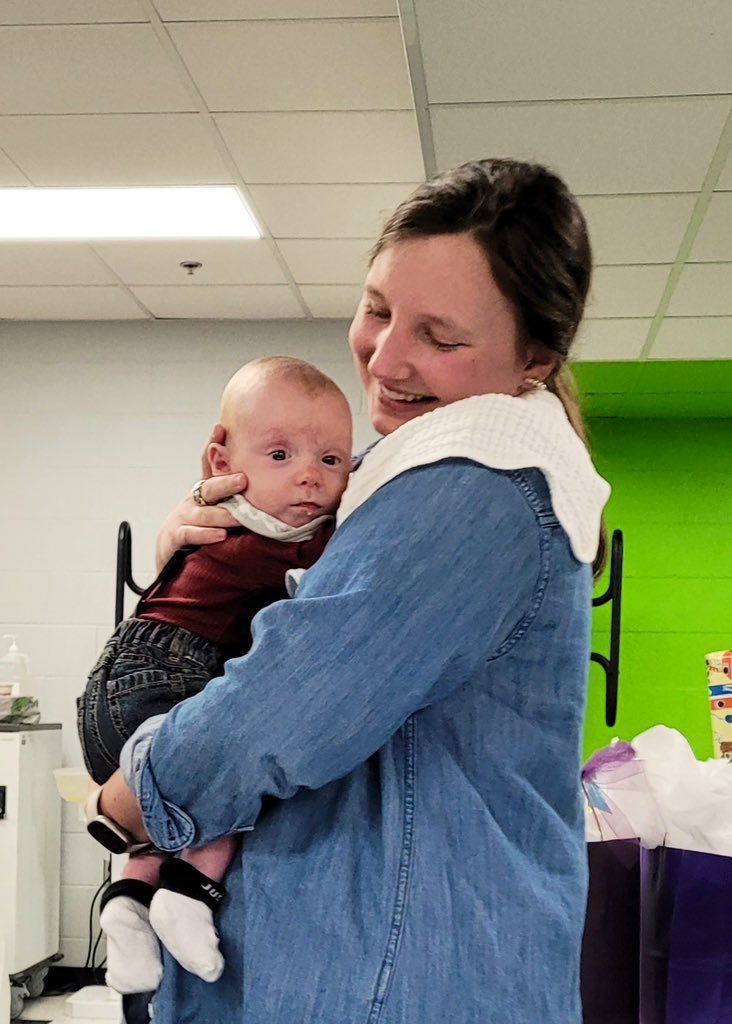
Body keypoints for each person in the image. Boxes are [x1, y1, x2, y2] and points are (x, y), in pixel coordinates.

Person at [90, 158, 612, 1024]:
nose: (386, 355)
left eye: (440, 337)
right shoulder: (423, 477)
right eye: (377, 308)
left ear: (535, 358)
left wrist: (132, 791)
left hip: (389, 972)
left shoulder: (473, 486)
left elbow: (278, 710)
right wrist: (213, 540)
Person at [78, 356, 352, 995]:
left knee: (160, 818)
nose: (310, 475)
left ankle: (127, 904)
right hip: (173, 670)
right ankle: (189, 893)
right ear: (221, 461)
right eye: (280, 454)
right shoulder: (290, 537)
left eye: (333, 461)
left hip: (116, 682)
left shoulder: (221, 519)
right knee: (232, 781)